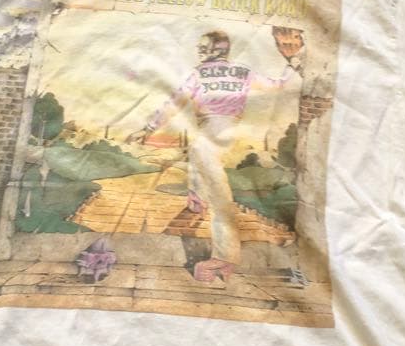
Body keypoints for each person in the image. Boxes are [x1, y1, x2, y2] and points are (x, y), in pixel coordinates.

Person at [126, 27, 304, 283]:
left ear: (215, 50)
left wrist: (148, 129)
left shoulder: (199, 74)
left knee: (220, 199)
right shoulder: (243, 72)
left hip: (209, 133)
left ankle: (224, 257)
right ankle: (197, 199)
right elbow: (279, 86)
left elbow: (174, 103)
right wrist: (292, 63)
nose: (198, 51)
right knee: (197, 155)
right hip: (227, 133)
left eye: (203, 47)